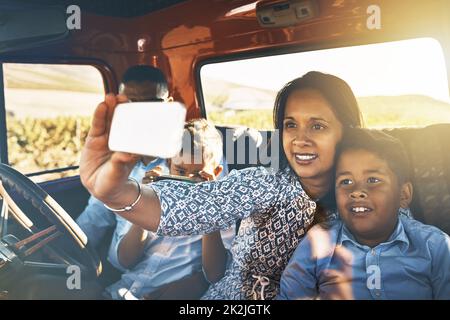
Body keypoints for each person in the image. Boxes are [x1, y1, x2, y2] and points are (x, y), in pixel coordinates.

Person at [79, 71, 363, 299]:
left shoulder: (369, 202)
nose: (301, 138)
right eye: (290, 125)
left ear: (347, 131)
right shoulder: (259, 183)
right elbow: (184, 209)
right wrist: (115, 192)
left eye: (318, 126)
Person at [278, 129, 450, 300]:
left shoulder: (435, 246)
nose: (357, 192)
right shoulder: (319, 242)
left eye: (373, 180)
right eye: (346, 182)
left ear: (403, 194)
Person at [104, 118, 234, 300]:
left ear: (217, 173)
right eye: (180, 172)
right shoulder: (153, 195)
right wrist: (143, 200)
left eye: (197, 175)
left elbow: (214, 274)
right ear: (168, 163)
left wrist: (209, 207)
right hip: (124, 289)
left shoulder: (222, 209)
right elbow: (126, 259)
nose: (188, 182)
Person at [76, 65, 171, 249]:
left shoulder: (191, 159)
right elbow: (93, 221)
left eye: (150, 103)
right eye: (130, 104)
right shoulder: (114, 162)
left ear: (168, 104)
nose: (140, 113)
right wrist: (65, 249)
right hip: (123, 273)